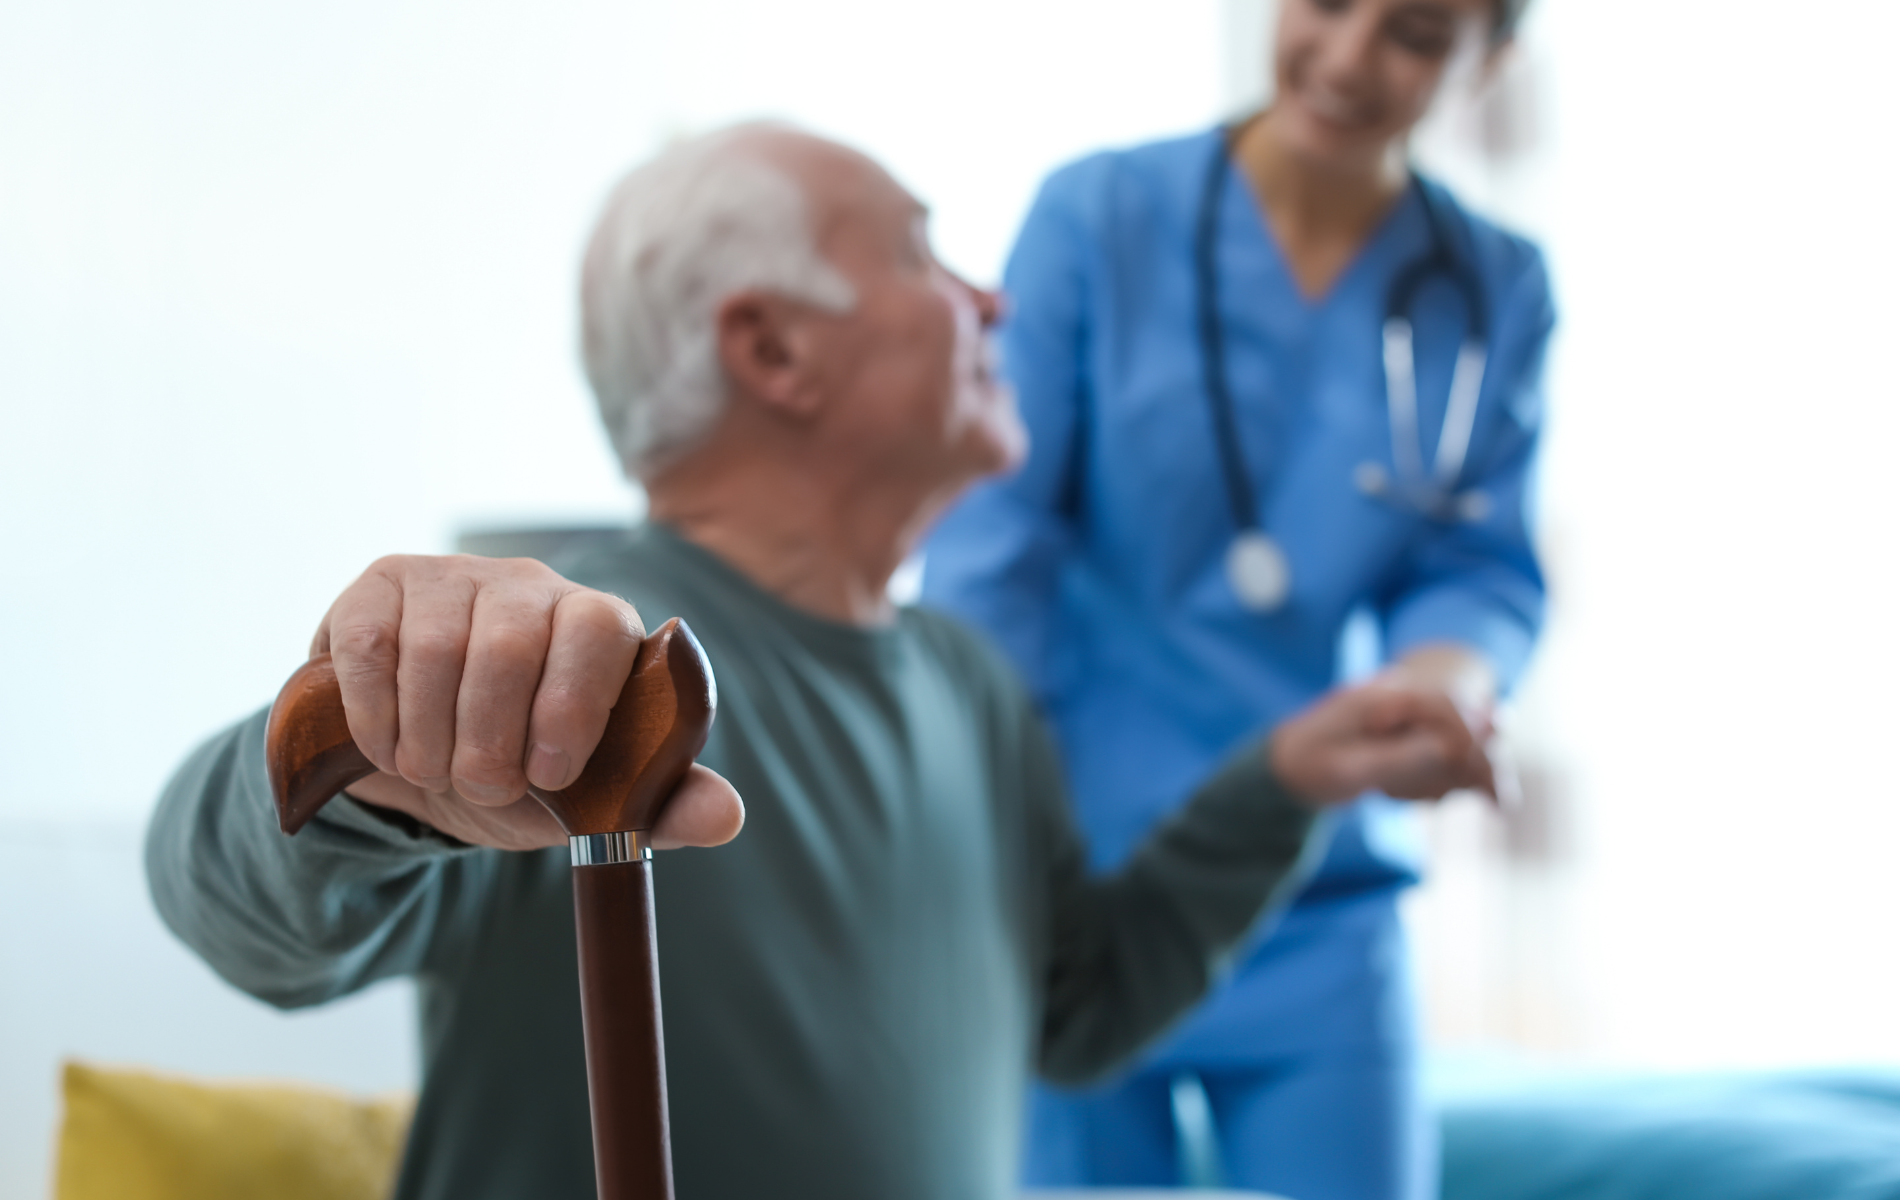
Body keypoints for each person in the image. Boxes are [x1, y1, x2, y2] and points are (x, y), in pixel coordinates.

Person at [147, 124, 1500, 1200]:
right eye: (924, 255)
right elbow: (228, 904)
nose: (993, 297)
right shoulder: (571, 674)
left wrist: (1279, 783)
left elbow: (1075, 1012)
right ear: (772, 347)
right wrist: (363, 753)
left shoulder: (965, 683)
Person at [921, 1, 1552, 1196]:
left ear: (1490, 65)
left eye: (1415, 34)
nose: (1348, 58)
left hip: (1318, 889)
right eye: (1324, 4)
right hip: (1078, 879)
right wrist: (982, 818)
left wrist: (1444, 682)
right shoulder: (1100, 217)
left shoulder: (1492, 287)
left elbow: (1476, 567)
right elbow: (993, 543)